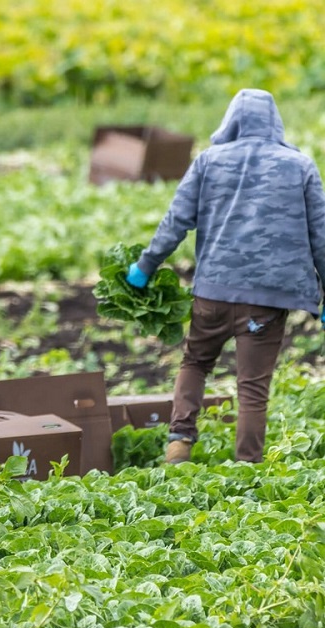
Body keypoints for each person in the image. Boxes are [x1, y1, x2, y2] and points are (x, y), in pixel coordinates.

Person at [126, 88, 325, 465]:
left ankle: (179, 443)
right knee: (252, 387)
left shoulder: (208, 161)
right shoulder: (300, 166)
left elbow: (176, 222)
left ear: (231, 120)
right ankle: (246, 468)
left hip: (213, 293)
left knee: (196, 362)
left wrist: (145, 267)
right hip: (267, 302)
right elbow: (321, 236)